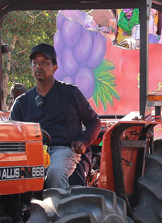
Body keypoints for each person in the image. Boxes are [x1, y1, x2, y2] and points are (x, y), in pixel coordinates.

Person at [10, 43, 101, 189]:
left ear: (55, 67)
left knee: (55, 173)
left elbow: (94, 122)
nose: (39, 66)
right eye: (35, 63)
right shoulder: (22, 102)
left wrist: (83, 142)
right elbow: (13, 135)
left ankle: (59, 209)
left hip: (64, 150)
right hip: (34, 152)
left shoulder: (71, 93)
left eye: (45, 63)